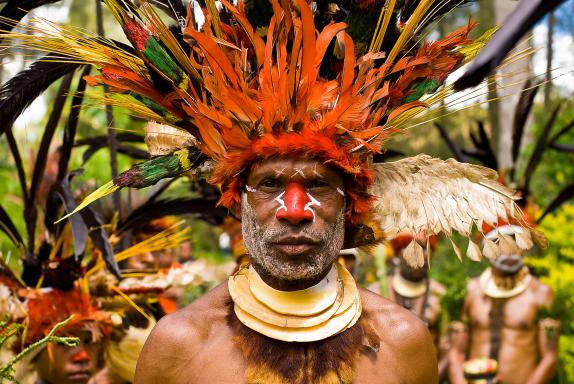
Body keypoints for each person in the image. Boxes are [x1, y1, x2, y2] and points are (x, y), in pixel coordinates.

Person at [3, 1, 546, 383]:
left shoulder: (405, 341)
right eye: (268, 185)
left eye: (318, 186)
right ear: (237, 200)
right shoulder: (177, 347)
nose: (294, 211)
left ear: (351, 205)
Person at [448, 226, 559, 384]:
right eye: (501, 244)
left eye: (515, 244)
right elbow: (456, 352)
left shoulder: (541, 293)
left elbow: (549, 357)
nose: (509, 251)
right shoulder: (470, 291)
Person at [368, 234, 448, 378]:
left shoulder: (440, 296)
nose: (419, 256)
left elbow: (449, 349)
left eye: (424, 249)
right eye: (411, 248)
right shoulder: (375, 293)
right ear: (398, 254)